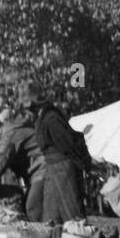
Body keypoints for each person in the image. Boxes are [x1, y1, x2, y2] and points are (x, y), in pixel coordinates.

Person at [20, 83, 91, 223]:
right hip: (53, 167)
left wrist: (85, 164)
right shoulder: (42, 118)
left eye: (28, 107)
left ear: (34, 104)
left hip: (63, 167)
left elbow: (69, 145)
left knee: (72, 213)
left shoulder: (51, 118)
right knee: (51, 215)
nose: (27, 111)